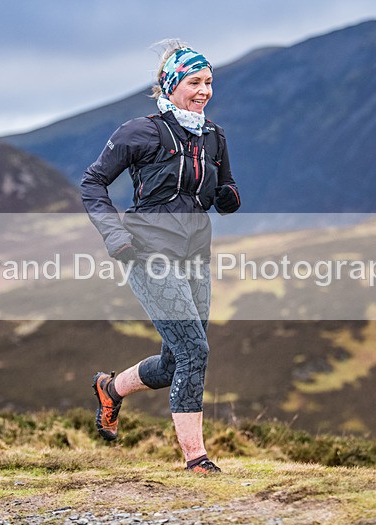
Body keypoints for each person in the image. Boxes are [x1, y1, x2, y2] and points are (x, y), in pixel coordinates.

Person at [80, 40, 241, 474]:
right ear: (171, 85)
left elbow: (225, 192)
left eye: (209, 82)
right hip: (147, 252)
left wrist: (227, 198)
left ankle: (111, 389)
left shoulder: (213, 136)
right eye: (195, 82)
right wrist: (115, 237)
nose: (204, 90)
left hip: (195, 255)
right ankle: (196, 460)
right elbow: (92, 184)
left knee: (177, 361)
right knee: (195, 352)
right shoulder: (140, 131)